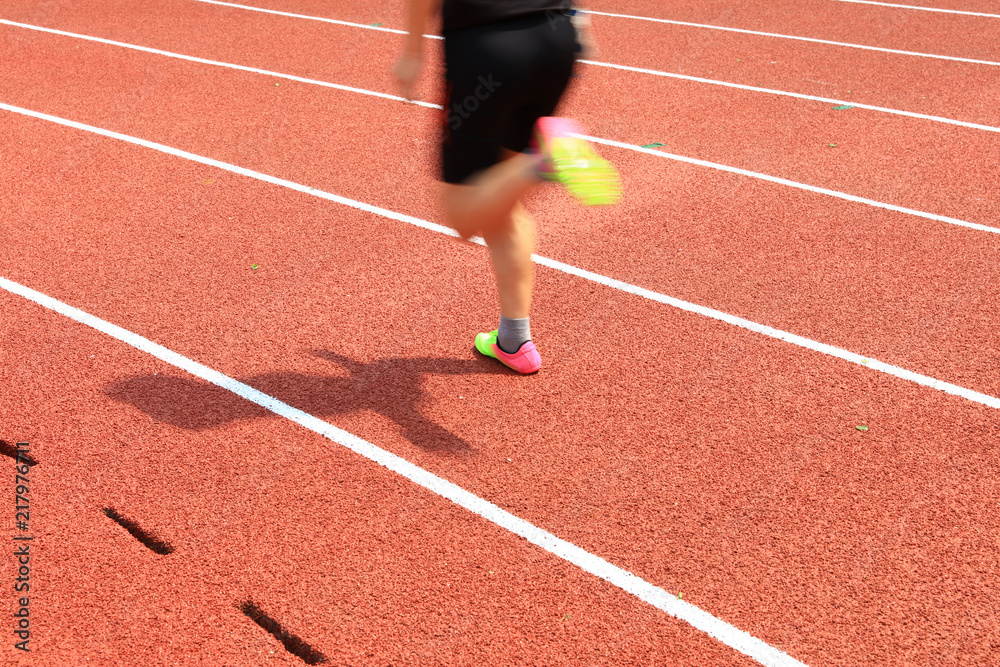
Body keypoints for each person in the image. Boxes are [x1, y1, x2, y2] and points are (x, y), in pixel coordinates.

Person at [395, 0, 620, 374]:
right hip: (555, 38)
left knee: (462, 217)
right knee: (503, 201)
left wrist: (412, 52)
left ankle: (544, 160)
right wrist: (578, 18)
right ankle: (514, 340)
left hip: (488, 48)